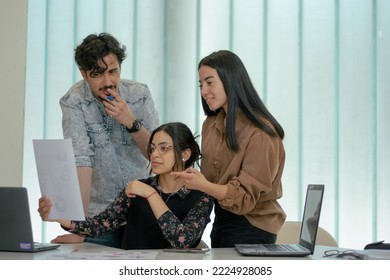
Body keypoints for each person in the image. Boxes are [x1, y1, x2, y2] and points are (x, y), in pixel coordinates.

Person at [52, 32, 159, 248]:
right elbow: (81, 161)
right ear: (84, 74)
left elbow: (158, 155)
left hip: (142, 211)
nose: (108, 82)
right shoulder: (74, 102)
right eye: (98, 74)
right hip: (98, 217)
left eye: (113, 72)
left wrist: (131, 122)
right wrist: (79, 228)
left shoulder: (140, 94)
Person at [172, 50, 286, 248]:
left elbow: (244, 198)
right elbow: (211, 180)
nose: (203, 91)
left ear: (231, 80)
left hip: (253, 227)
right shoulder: (211, 124)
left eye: (209, 82)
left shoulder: (260, 133)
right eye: (201, 85)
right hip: (222, 219)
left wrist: (202, 184)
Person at [38, 122, 213, 249]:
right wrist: (59, 216)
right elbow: (99, 225)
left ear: (185, 154)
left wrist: (151, 195)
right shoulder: (136, 189)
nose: (155, 154)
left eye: (164, 148)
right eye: (152, 148)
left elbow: (182, 241)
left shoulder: (201, 196)